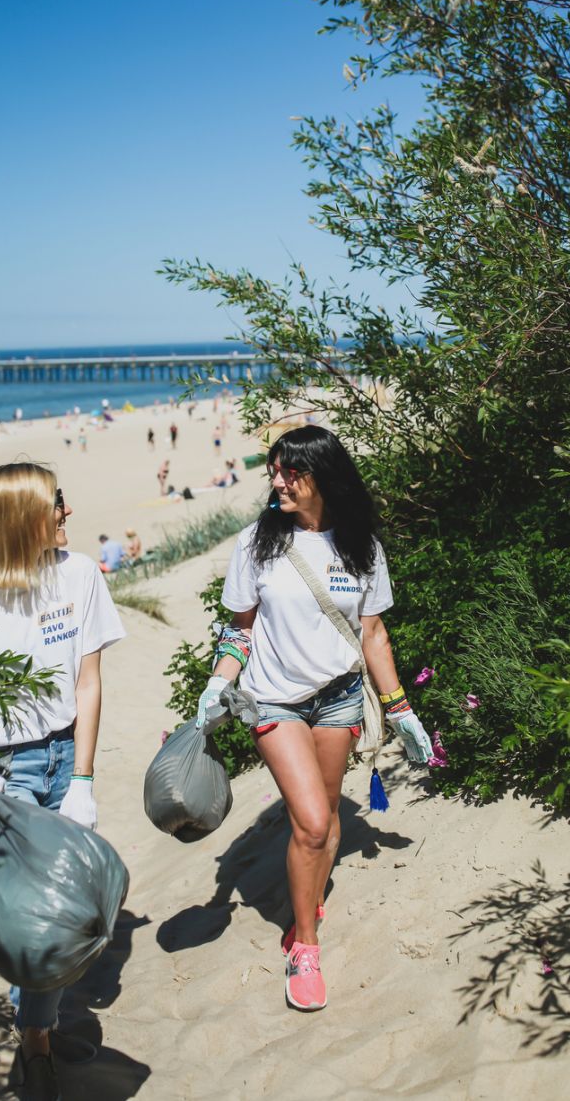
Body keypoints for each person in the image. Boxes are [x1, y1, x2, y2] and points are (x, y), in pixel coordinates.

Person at [196, 425, 432, 1013]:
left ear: (322, 477)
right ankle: (305, 944)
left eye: (289, 472)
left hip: (340, 699)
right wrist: (218, 680)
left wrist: (400, 707)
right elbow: (240, 627)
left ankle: (308, 895)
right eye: (274, 471)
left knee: (326, 822)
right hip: (274, 699)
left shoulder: (362, 547)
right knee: (309, 822)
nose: (277, 481)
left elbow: (373, 634)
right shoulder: (257, 543)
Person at [0, 463, 125, 1099]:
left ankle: (36, 1026)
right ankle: (37, 1044)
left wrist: (85, 779)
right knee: (35, 915)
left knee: (64, 902)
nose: (68, 513)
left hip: (64, 758)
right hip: (4, 768)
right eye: (57, 504)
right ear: (20, 518)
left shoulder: (78, 575)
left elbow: (88, 681)